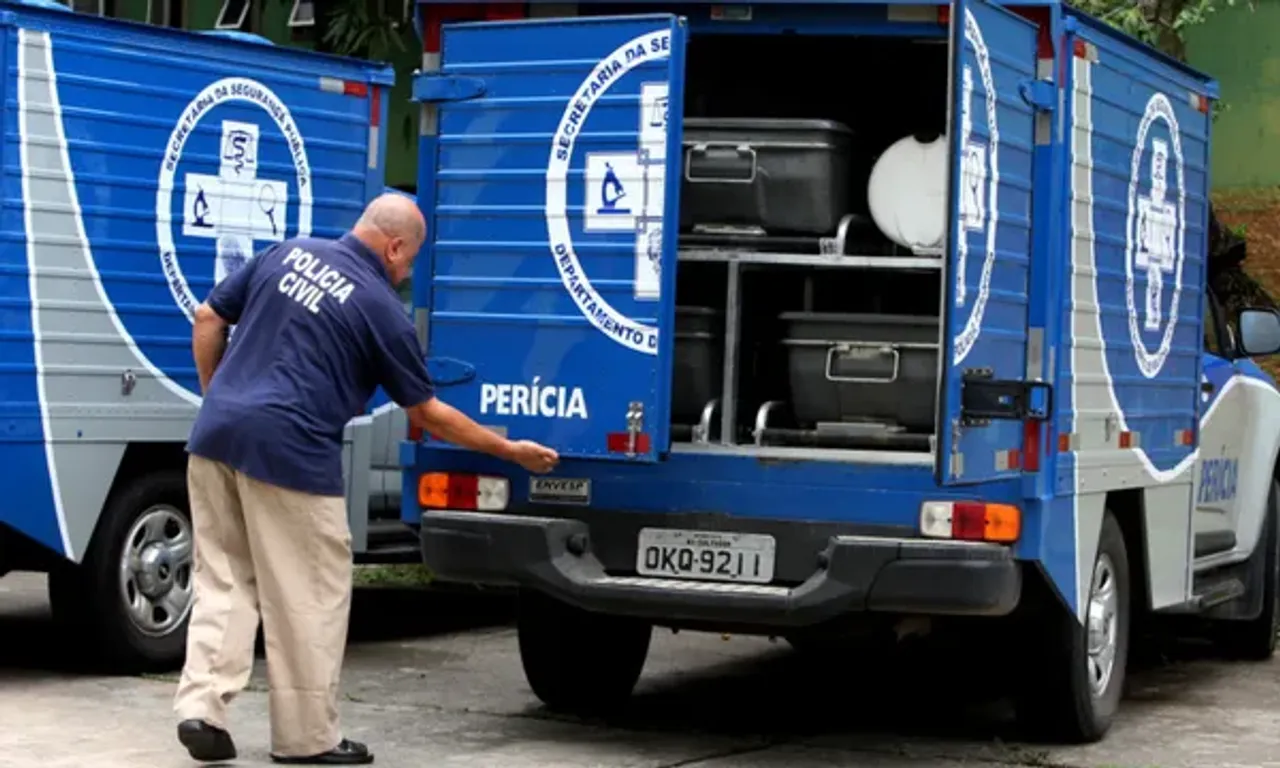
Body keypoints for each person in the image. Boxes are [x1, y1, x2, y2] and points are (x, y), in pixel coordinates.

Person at [172, 193, 559, 765]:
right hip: (293, 453)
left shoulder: (286, 252)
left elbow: (209, 317)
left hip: (215, 439)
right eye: (410, 261)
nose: (406, 273)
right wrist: (507, 449)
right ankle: (307, 739)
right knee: (310, 595)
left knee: (224, 580)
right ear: (394, 247)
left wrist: (220, 401)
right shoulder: (382, 309)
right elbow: (426, 412)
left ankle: (201, 710)